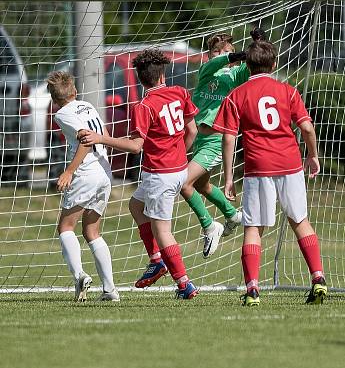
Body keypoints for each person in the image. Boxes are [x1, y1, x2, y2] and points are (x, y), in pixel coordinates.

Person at [213, 39, 328, 306]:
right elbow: (308, 128)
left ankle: (252, 288)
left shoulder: (237, 95)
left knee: (253, 227)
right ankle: (318, 277)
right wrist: (312, 155)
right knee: (300, 221)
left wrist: (229, 177)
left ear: (247, 65)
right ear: (274, 64)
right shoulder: (287, 91)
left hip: (258, 167)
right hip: (289, 164)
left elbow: (229, 138)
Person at [79, 49, 200, 299]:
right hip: (178, 169)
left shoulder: (144, 105)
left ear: (139, 77)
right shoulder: (179, 93)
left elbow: (136, 146)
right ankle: (156, 260)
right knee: (136, 205)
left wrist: (100, 138)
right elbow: (192, 131)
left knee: (162, 230)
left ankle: (184, 284)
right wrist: (178, 155)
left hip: (161, 174)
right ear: (162, 74)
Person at [180, 31, 254, 257]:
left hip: (216, 140)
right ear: (209, 55)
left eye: (227, 51)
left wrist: (255, 46)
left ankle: (210, 226)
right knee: (202, 186)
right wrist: (233, 56)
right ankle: (232, 215)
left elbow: (255, 62)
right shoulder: (206, 71)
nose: (222, 55)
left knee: (184, 183)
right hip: (199, 139)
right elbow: (217, 63)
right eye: (216, 51)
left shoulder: (236, 76)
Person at [47, 72, 118, 302]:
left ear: (53, 99)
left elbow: (85, 140)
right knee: (92, 232)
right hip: (104, 171)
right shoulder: (87, 105)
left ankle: (79, 275)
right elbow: (103, 135)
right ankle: (110, 290)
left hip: (85, 172)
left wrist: (69, 171)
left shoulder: (61, 114)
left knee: (66, 227)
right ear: (75, 92)